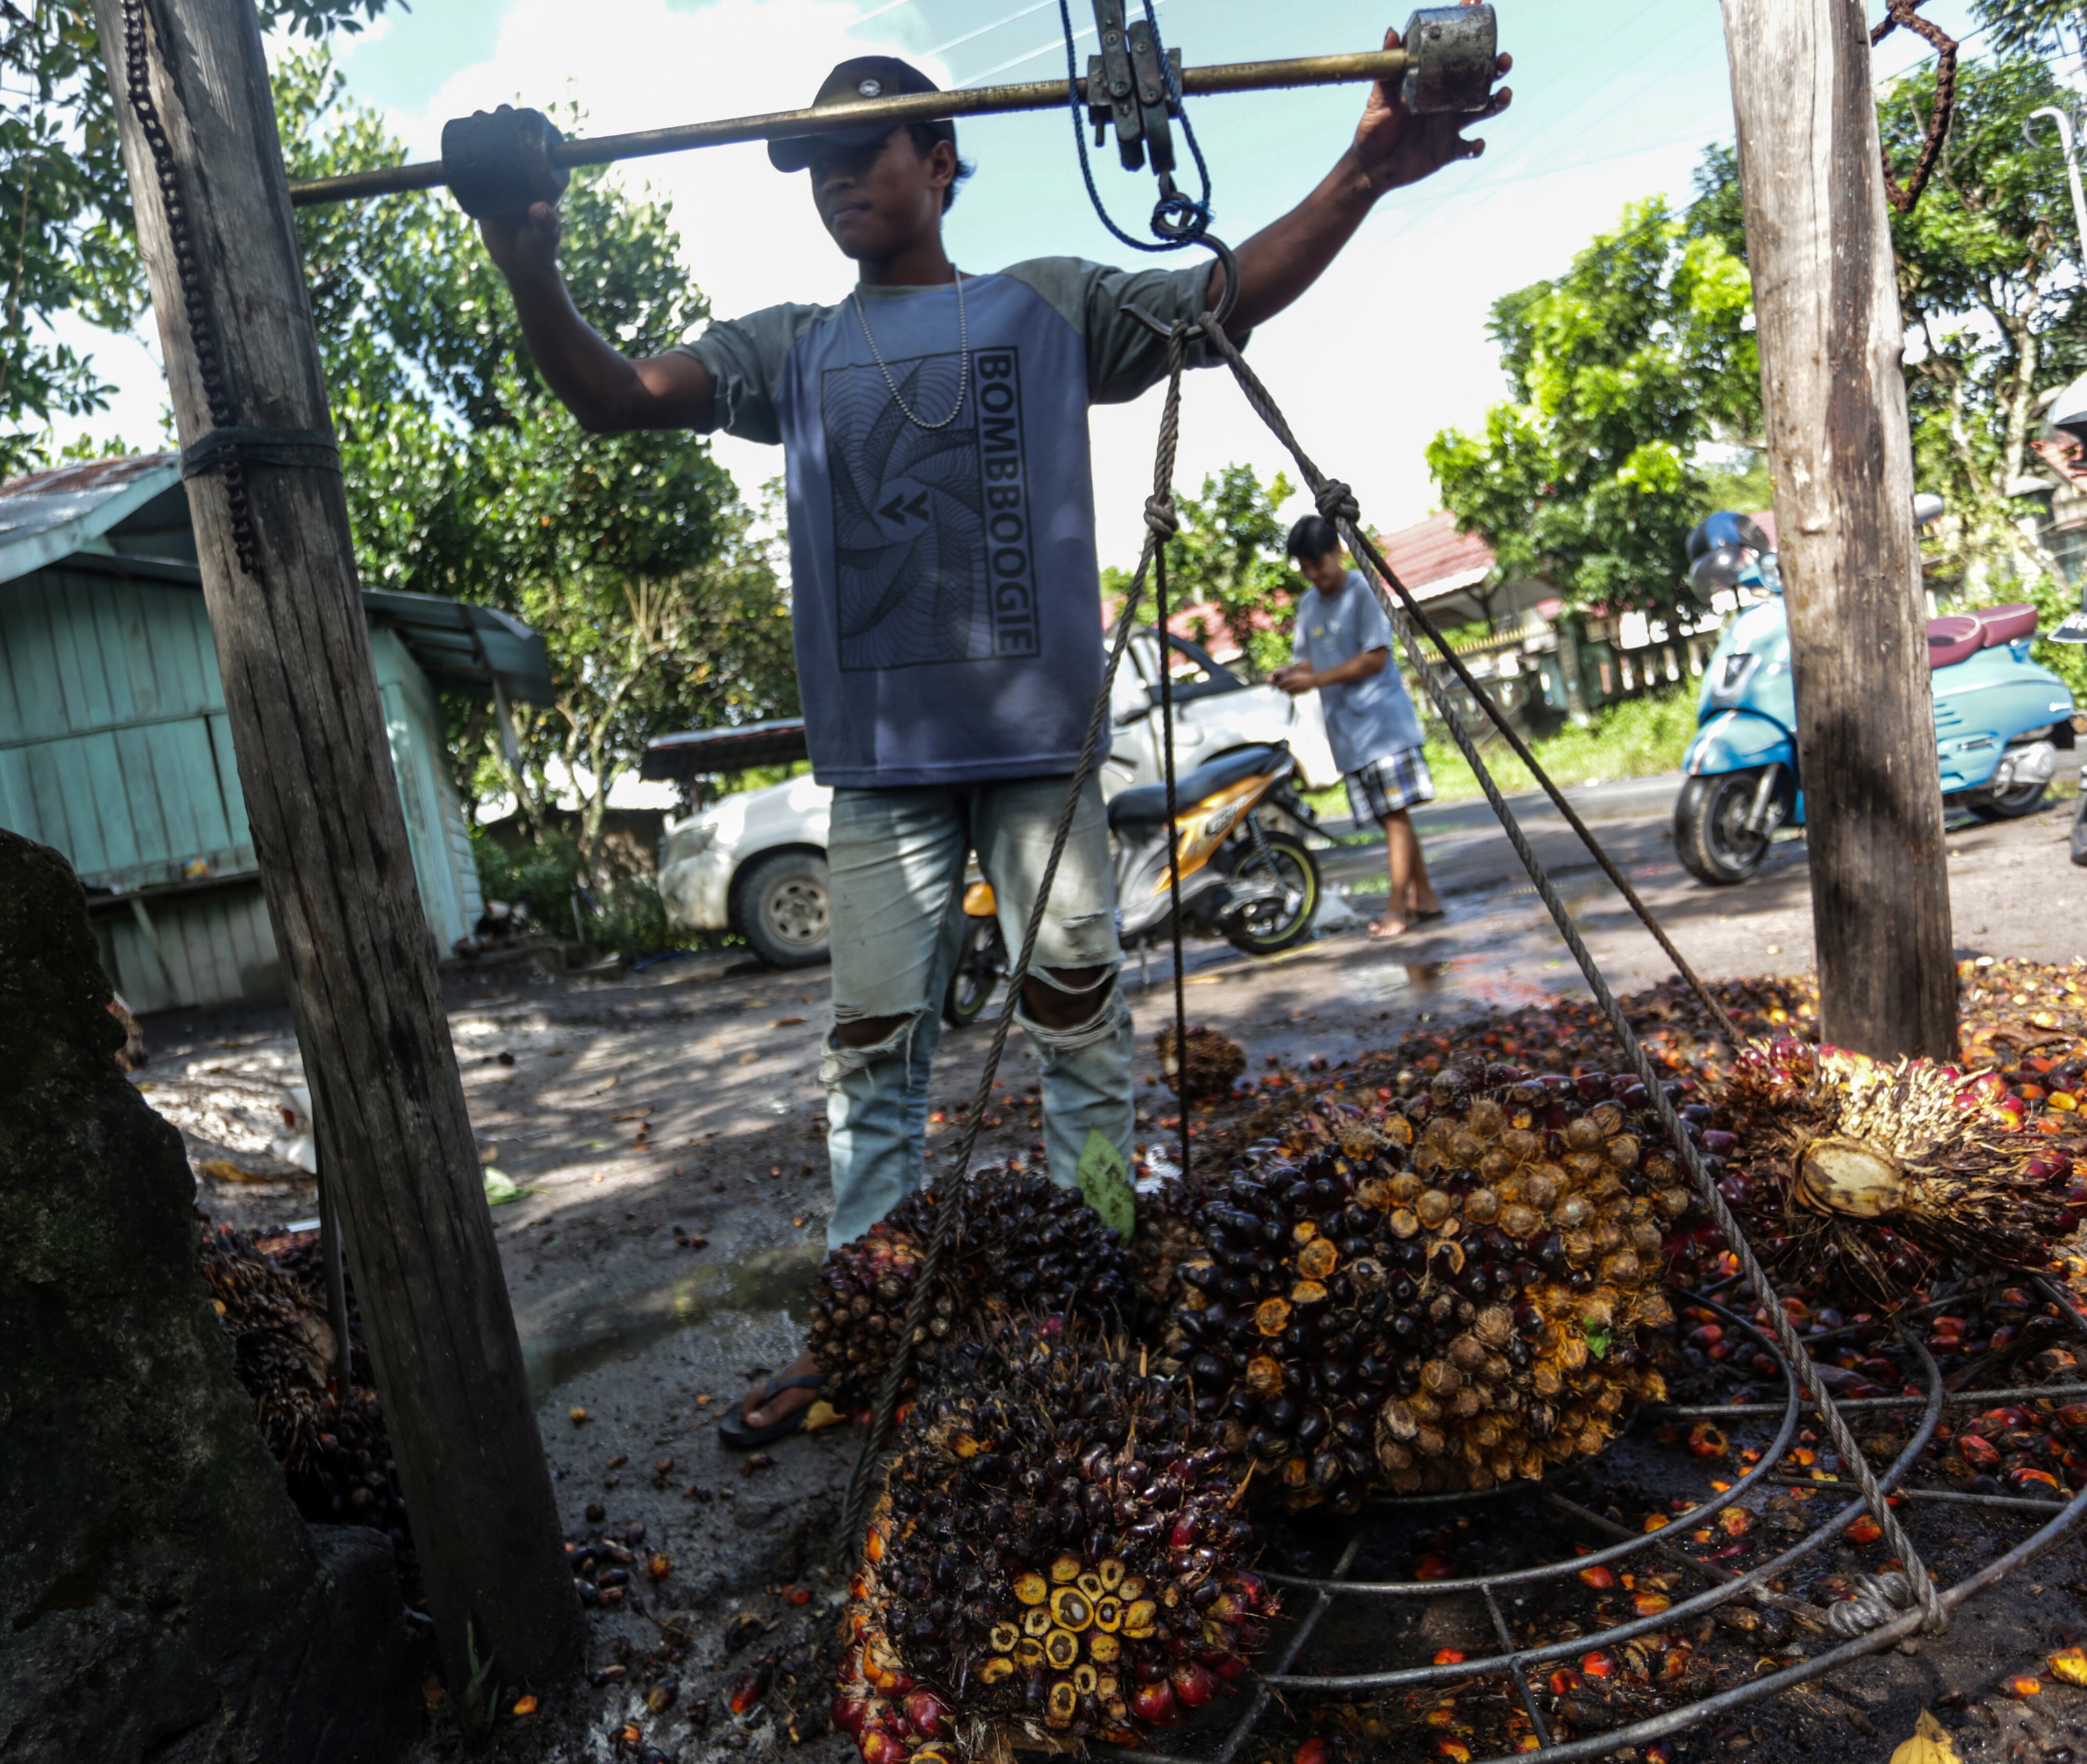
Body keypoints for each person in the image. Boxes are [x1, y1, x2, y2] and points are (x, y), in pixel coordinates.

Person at [471, 41, 1509, 1447]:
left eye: (871, 148)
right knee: (874, 1058)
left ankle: (1100, 1287)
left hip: (1039, 761)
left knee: (1079, 1028)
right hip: (881, 774)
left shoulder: (1048, 308)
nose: (841, 176)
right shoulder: (791, 349)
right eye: (818, 161)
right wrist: (523, 255)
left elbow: (1222, 300)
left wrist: (1363, 174)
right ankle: (871, 1328)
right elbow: (612, 393)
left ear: (943, 158)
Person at [1275, 515, 1440, 938]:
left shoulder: (1363, 591)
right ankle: (1425, 897)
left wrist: (1315, 680)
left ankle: (1397, 909)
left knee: (1395, 816)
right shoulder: (1309, 605)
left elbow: (1375, 658)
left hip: (1381, 725)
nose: (1314, 575)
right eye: (1305, 568)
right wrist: (1292, 676)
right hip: (1348, 733)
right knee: (1391, 818)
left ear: (1337, 552)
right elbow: (1310, 661)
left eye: (1318, 564)